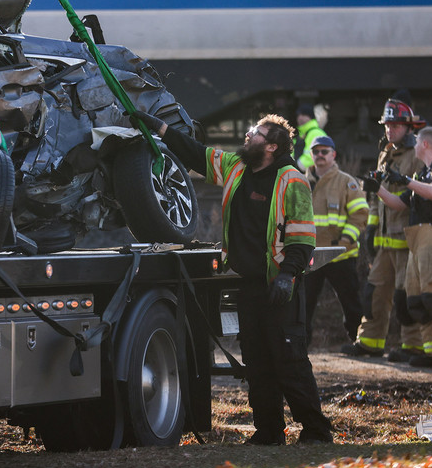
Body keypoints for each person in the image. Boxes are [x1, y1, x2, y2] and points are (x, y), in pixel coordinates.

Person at [130, 110, 333, 445]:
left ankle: (316, 430)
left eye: (255, 133)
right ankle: (269, 431)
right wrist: (160, 128)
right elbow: (197, 153)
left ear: (271, 147)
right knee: (256, 360)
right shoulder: (237, 167)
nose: (247, 136)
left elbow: (302, 236)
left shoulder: (291, 179)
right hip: (249, 285)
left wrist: (287, 276)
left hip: (281, 285)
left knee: (289, 360)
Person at [367, 127, 432, 369]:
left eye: (416, 144)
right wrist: (378, 189)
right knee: (416, 299)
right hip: (418, 241)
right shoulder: (421, 174)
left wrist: (405, 180)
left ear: (425, 145)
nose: (413, 147)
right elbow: (398, 204)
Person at [341, 98, 424, 361]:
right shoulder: (385, 152)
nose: (390, 130)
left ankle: (413, 346)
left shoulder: (417, 155)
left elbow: (416, 199)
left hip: (407, 238)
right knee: (374, 293)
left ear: (409, 128)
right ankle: (369, 342)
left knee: (405, 296)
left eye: (396, 125)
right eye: (387, 125)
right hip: (386, 239)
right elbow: (377, 197)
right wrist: (371, 230)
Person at [304, 135, 367, 345]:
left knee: (351, 303)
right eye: (316, 152)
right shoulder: (301, 182)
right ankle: (300, 346)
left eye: (324, 151)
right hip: (309, 256)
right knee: (303, 305)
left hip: (340, 254)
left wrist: (345, 241)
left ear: (333, 155)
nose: (320, 155)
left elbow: (360, 215)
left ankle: (358, 342)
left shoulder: (347, 182)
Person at [294, 103, 328, 172]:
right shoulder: (300, 135)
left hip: (312, 176)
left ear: (311, 117)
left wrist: (297, 167)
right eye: (298, 115)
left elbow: (316, 155)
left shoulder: (316, 133)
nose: (300, 118)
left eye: (303, 115)